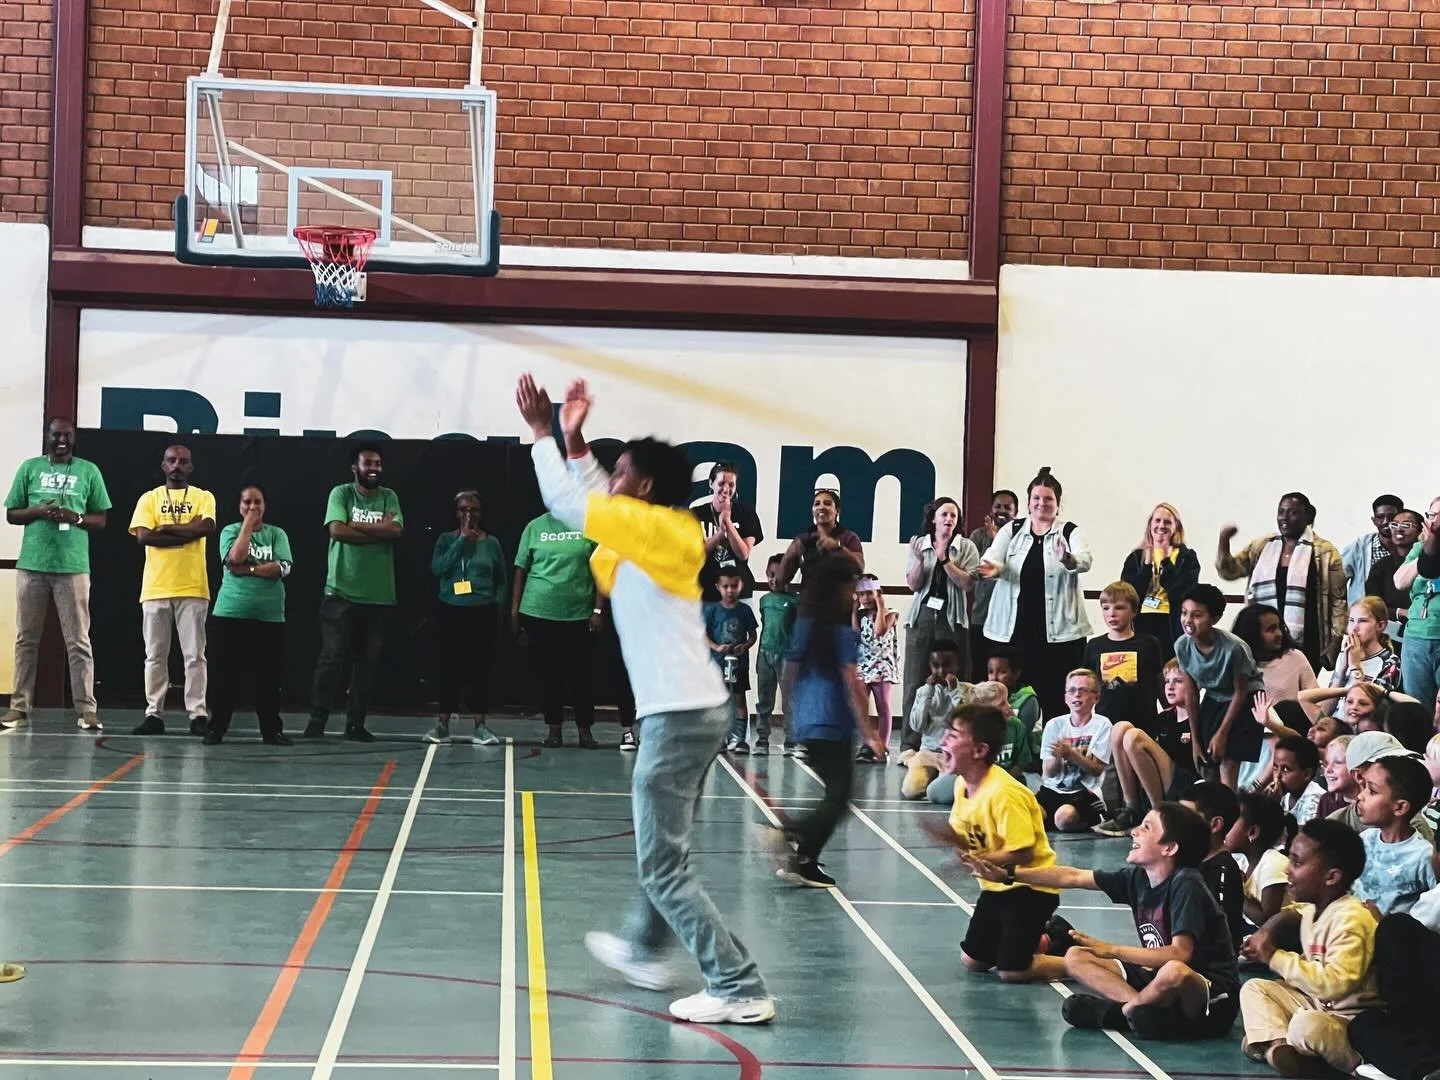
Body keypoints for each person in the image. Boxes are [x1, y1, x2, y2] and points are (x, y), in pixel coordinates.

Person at [516, 374, 772, 1024]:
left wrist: (542, 435)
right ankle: (644, 949)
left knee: (663, 866)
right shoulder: (650, 529)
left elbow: (574, 503)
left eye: (622, 470)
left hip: (678, 716)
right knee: (666, 852)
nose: (611, 476)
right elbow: (597, 492)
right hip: (693, 710)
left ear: (646, 487)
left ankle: (738, 984)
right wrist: (574, 439)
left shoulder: (662, 531)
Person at [967, 803, 1241, 1041]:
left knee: (1173, 971)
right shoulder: (1137, 878)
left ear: (1169, 848)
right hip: (1160, 983)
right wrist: (1010, 874)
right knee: (1075, 957)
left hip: (1209, 996)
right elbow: (1071, 877)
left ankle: (1120, 1015)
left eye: (1147, 827)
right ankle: (1139, 1011)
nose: (1135, 831)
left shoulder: (1186, 883)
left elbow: (1180, 954)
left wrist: (1111, 950)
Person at [918, 703, 1063, 983]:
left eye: (954, 734)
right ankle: (1039, 939)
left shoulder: (1005, 793)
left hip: (1030, 887)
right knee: (974, 960)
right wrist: (946, 836)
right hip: (996, 886)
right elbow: (965, 836)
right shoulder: (963, 785)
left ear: (979, 751)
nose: (945, 740)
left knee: (1011, 970)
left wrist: (977, 862)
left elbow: (1023, 852)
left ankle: (1066, 950)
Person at [769, 551, 885, 888]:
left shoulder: (807, 626)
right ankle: (793, 833)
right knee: (840, 797)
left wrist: (793, 710)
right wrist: (870, 734)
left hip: (808, 722)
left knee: (838, 795)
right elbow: (852, 684)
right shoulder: (840, 633)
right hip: (833, 722)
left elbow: (789, 674)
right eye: (852, 584)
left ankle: (803, 859)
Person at [1238, 819, 1379, 1077]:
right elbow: (1311, 963)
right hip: (1319, 1004)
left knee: (1305, 1025)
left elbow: (1334, 984)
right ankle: (1280, 1045)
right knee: (1255, 988)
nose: (1288, 871)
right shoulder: (1313, 910)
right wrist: (1264, 946)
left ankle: (1349, 1065)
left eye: (1297, 862)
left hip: (1350, 1020)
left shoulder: (1352, 919)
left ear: (1332, 877)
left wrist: (1275, 957)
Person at [2, 418, 111, 731]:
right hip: (32, 565)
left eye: (67, 435)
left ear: (73, 438)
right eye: (56, 435)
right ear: (46, 437)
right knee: (26, 639)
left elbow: (101, 519)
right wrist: (38, 511)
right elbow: (12, 513)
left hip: (73, 567)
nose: (61, 440)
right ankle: (18, 708)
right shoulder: (30, 467)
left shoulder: (88, 470)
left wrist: (73, 517)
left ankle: (87, 710)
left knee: (78, 641)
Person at [979, 467, 1093, 720]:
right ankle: (1017, 748)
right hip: (1014, 629)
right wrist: (992, 568)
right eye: (1037, 499)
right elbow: (993, 558)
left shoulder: (1069, 531)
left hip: (1059, 634)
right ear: (1029, 503)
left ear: (1058, 504)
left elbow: (1085, 561)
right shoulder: (1012, 530)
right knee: (1015, 695)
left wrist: (1068, 559)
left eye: (1048, 499)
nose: (1042, 504)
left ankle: (1056, 752)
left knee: (1055, 696)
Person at [306, 445, 402, 743]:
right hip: (340, 592)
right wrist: (377, 527)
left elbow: (396, 531)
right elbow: (336, 530)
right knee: (331, 658)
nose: (373, 467)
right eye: (367, 463)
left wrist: (357, 524)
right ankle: (317, 720)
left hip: (378, 595)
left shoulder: (389, 496)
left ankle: (355, 723)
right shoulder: (342, 494)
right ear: (354, 467)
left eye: (377, 463)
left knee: (366, 663)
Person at [129, 444, 216, 736]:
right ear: (163, 466)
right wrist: (185, 529)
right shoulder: (149, 498)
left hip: (193, 586)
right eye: (171, 460)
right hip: (155, 587)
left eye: (183, 461)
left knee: (195, 655)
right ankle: (154, 713)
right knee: (155, 655)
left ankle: (198, 713)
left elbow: (205, 528)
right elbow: (143, 536)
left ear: (191, 467)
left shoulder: (204, 497)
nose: (177, 465)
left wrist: (164, 529)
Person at [204, 484, 293, 746]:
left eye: (257, 502)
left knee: (268, 678)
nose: (253, 507)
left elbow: (283, 568)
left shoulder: (277, 534)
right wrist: (247, 526)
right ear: (239, 506)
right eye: (247, 503)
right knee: (225, 678)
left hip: (269, 617)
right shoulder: (230, 531)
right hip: (230, 615)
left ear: (265, 505)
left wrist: (251, 570)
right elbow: (234, 560)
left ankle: (271, 730)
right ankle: (217, 728)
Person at [1217, 492, 1348, 671]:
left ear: (1307, 516)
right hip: (1261, 640)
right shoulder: (1262, 546)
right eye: (1281, 512)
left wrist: (1334, 643)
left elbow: (1338, 601)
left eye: (1293, 513)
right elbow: (1230, 572)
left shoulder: (1325, 552)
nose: (1285, 518)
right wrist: (1224, 541)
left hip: (1307, 641)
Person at [1346, 835, 1440, 1080]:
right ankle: (1425, 1070)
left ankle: (1423, 1068)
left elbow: (1406, 946)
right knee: (1365, 1026)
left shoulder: (1435, 900)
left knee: (1395, 929)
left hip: (1425, 1026)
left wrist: (1379, 924)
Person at [512, 504, 600, 748]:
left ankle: (585, 731)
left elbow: (601, 570)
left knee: (581, 677)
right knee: (549, 676)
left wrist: (598, 609)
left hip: (579, 614)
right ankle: (554, 730)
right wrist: (514, 610)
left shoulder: (589, 525)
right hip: (540, 612)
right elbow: (521, 568)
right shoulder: (535, 526)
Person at [427, 490, 506, 745]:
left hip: (481, 612)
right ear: (456, 512)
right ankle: (442, 724)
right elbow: (438, 568)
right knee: (447, 668)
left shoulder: (491, 542)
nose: (469, 515)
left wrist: (496, 604)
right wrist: (461, 540)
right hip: (450, 609)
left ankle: (480, 726)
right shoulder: (445, 539)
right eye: (463, 509)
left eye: (474, 510)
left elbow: (501, 580)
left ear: (481, 513)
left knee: (479, 670)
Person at [902, 497, 980, 740]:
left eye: (953, 516)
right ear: (933, 518)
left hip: (952, 618)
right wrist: (917, 560)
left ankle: (956, 739)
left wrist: (944, 558)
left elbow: (967, 583)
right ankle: (909, 743)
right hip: (923, 616)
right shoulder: (920, 544)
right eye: (944, 514)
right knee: (915, 679)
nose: (948, 519)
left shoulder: (966, 547)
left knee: (953, 680)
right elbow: (914, 585)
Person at [1174, 584, 1266, 788]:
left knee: (1227, 760)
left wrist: (1222, 733)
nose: (1188, 621)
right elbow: (1191, 692)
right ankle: (1211, 811)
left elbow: (1240, 691)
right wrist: (1196, 740)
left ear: (1214, 619)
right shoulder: (1182, 645)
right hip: (1215, 695)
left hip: (1245, 698)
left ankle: (1229, 809)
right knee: (1206, 761)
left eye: (1197, 615)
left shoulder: (1234, 648)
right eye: (1184, 613)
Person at [1095, 661, 1198, 837]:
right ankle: (1132, 808)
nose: (1170, 687)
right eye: (1167, 681)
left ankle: (1158, 814)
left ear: (1194, 684)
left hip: (1186, 785)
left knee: (1134, 737)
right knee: (1120, 728)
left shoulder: (1199, 718)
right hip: (1161, 783)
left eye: (1178, 681)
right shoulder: (1164, 717)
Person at [1353, 754, 1436, 916]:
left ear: (1400, 807)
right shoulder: (1365, 840)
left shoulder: (1423, 856)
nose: (1360, 796)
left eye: (1372, 791)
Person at [925, 681, 1028, 805]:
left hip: (1007, 777)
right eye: (1002, 704)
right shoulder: (971, 732)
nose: (1009, 706)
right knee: (934, 792)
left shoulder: (1016, 726)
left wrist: (999, 784)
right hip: (973, 776)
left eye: (1007, 700)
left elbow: (1021, 763)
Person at [1120, 503, 1201, 660]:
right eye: (1157, 520)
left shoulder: (1187, 557)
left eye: (1167, 522)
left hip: (1173, 624)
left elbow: (1182, 591)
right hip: (1142, 622)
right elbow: (1129, 594)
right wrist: (1146, 567)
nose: (1161, 525)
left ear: (1176, 526)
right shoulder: (1136, 557)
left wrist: (1166, 562)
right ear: (1150, 524)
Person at [1037, 669, 1113, 831]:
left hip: (1083, 792)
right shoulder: (1054, 725)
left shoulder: (1103, 725)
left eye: (1083, 691)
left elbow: (1096, 769)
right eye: (1072, 691)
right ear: (1066, 697)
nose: (1076, 695)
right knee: (1028, 816)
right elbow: (1048, 773)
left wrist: (1072, 754)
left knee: (1063, 818)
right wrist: (1058, 757)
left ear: (1096, 697)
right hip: (1052, 790)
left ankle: (1092, 817)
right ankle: (1052, 820)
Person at [1327, 730, 1434, 842]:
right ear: (1358, 776)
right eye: (1386, 764)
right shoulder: (1335, 824)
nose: (1400, 769)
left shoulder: (1412, 827)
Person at [1082, 581, 1162, 732]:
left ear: (1134, 611)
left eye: (1119, 608)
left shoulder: (1149, 643)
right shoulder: (1094, 646)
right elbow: (1089, 686)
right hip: (1107, 722)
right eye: (1106, 608)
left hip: (1143, 723)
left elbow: (1158, 682)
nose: (1111, 613)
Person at [1178, 780, 1246, 951]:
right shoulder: (1187, 862)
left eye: (1187, 816)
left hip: (1207, 967)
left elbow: (1223, 931)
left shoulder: (1223, 869)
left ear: (1215, 824)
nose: (1176, 823)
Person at [900, 640, 968, 798]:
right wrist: (927, 693)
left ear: (957, 666)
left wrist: (953, 692)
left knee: (944, 794)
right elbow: (916, 726)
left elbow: (966, 719)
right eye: (936, 666)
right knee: (910, 791)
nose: (941, 670)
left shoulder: (965, 691)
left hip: (953, 754)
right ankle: (913, 761)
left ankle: (940, 776)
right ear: (930, 667)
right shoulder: (923, 692)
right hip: (928, 753)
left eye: (947, 665)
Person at [703, 567, 758, 754]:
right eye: (725, 586)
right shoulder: (712, 611)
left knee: (739, 698)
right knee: (720, 701)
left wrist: (745, 646)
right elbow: (704, 636)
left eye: (734, 586)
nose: (730, 590)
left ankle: (739, 738)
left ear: (740, 585)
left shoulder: (745, 610)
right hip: (719, 663)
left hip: (739, 664)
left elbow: (753, 636)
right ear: (718, 587)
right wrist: (717, 647)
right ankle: (721, 737)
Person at [692, 461, 762, 603]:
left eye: (731, 485)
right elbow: (696, 554)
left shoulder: (746, 515)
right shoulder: (696, 514)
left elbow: (743, 554)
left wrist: (728, 524)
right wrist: (719, 534)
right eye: (721, 483)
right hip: (704, 590)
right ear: (711, 483)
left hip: (739, 592)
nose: (726, 489)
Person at [1395, 496, 1440, 710]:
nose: (1435, 522)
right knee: (1418, 708)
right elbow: (1400, 581)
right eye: (1432, 515)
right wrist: (1427, 547)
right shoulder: (1419, 547)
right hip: (1416, 636)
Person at [967, 489, 1018, 676]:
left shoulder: (1021, 537)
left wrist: (999, 539)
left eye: (1007, 507)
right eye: (998, 506)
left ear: (1016, 513)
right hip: (982, 615)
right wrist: (992, 541)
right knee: (981, 671)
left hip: (1010, 619)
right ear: (990, 510)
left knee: (1009, 672)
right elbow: (976, 570)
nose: (1002, 511)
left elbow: (1015, 569)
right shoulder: (978, 536)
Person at [1225, 792, 1291, 929]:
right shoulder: (1244, 863)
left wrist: (1235, 889)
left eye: (1231, 821)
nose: (1225, 827)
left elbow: (1267, 920)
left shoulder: (1273, 863)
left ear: (1252, 832)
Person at [776, 488, 864, 588]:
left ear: (837, 510)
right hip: (808, 602)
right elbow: (781, 581)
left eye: (827, 503)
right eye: (817, 504)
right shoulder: (803, 539)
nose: (821, 507)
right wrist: (788, 557)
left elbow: (859, 567)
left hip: (839, 602)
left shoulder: (849, 537)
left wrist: (838, 549)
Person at [756, 553, 798, 756]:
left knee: (789, 700)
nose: (774, 580)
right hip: (765, 653)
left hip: (786, 656)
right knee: (764, 699)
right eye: (771, 575)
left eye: (779, 575)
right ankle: (762, 738)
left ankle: (791, 740)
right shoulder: (764, 600)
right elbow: (765, 626)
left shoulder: (794, 601)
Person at [854, 573, 899, 763]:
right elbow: (855, 635)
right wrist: (852, 611)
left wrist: (880, 606)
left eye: (870, 593)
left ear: (878, 593)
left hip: (882, 667)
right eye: (862, 594)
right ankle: (867, 744)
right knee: (861, 708)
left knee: (883, 707)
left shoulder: (890, 614)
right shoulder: (860, 615)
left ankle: (883, 745)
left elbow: (880, 631)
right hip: (863, 666)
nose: (866, 598)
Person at [1367, 509, 1422, 655]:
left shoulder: (1427, 563)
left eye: (1406, 525)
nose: (1399, 529)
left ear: (1420, 531)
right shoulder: (1382, 566)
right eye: (1394, 524)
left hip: (1424, 634)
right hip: (1388, 639)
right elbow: (1371, 603)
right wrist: (1398, 612)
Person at [1344, 494, 1405, 607]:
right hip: (1366, 617)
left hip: (1404, 617)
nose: (1386, 521)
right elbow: (1336, 583)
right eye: (1380, 517)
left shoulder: (1412, 547)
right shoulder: (1358, 547)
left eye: (1391, 517)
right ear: (1374, 520)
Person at [987, 646, 1041, 770]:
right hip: (996, 764)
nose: (994, 678)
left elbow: (1016, 739)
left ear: (1016, 673)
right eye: (990, 671)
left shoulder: (1028, 700)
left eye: (1002, 672)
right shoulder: (985, 697)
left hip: (1025, 766)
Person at [1270, 735, 1325, 827]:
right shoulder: (1284, 794)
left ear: (1306, 774)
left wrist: (1273, 807)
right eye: (1275, 767)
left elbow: (1299, 837)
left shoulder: (1316, 800)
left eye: (1286, 769)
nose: (1278, 776)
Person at [1315, 734, 1355, 819]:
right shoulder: (1326, 800)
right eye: (1326, 763)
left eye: (1338, 762)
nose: (1328, 769)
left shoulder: (1369, 805)